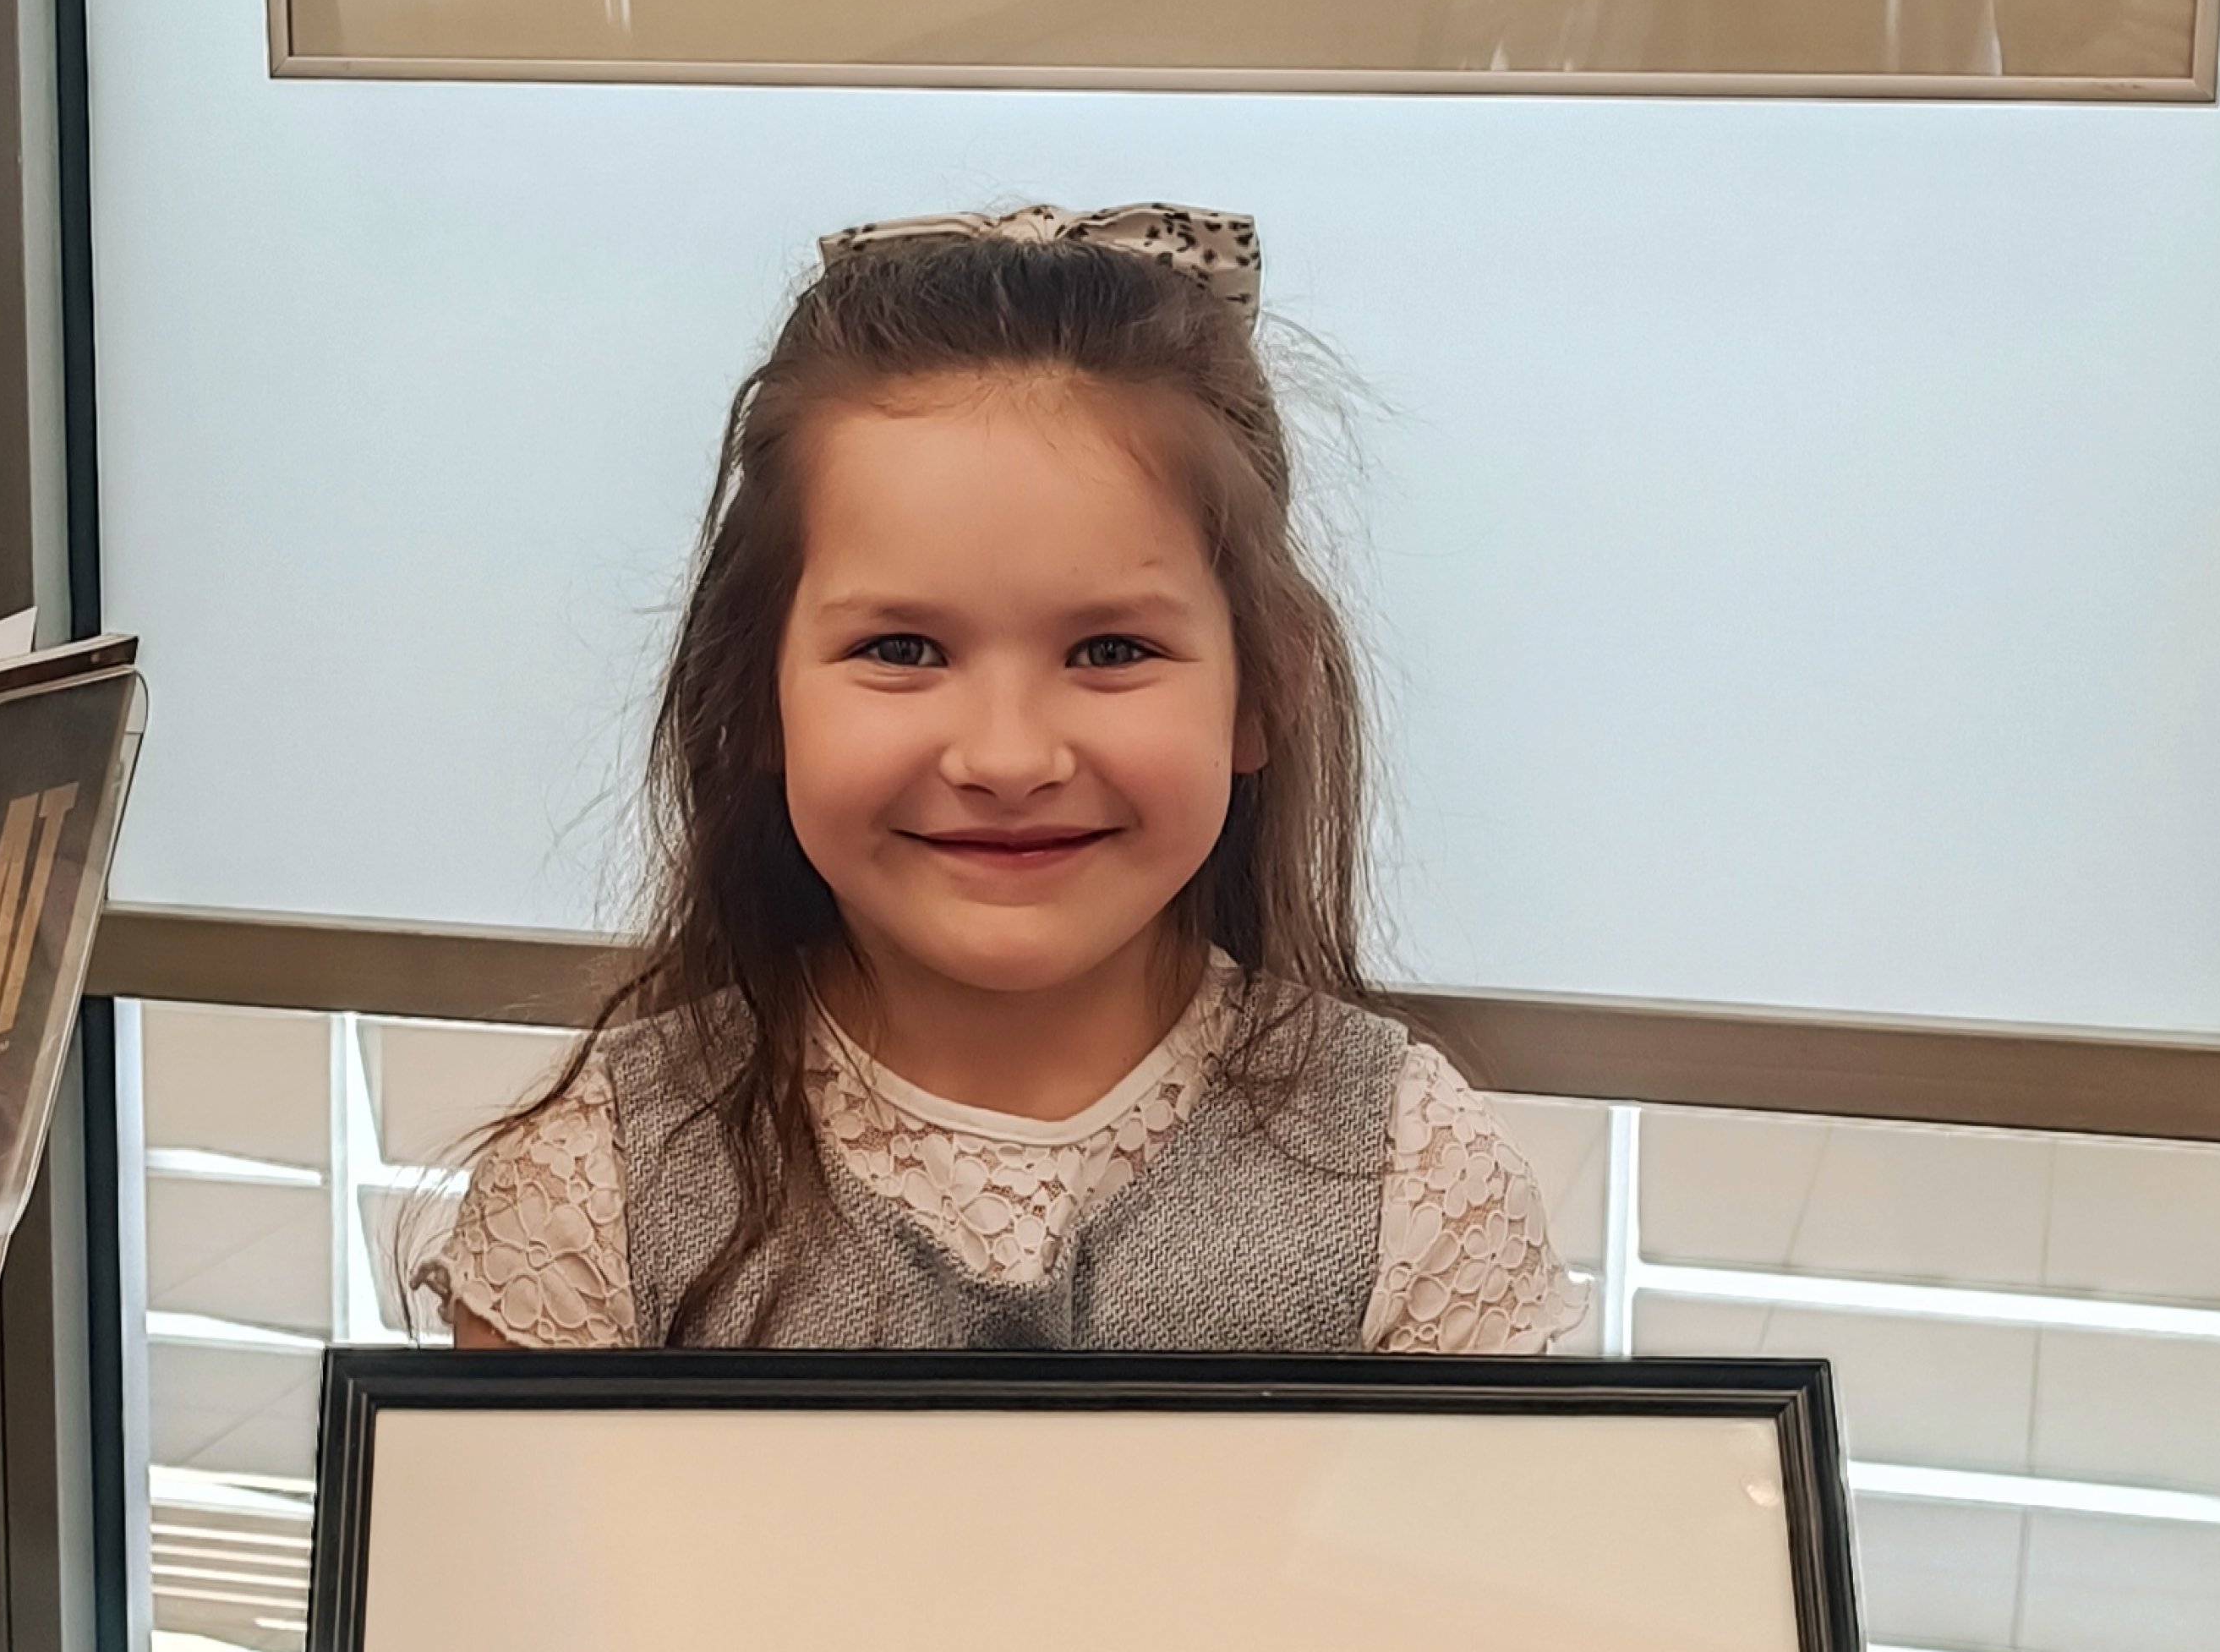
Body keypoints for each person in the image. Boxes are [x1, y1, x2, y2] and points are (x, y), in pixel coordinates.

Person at [429, 203, 1583, 1353]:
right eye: (901, 649)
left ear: (1261, 692)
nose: (1008, 759)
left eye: (1111, 651)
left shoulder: (1419, 1182)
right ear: (755, 692)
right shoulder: (590, 1198)